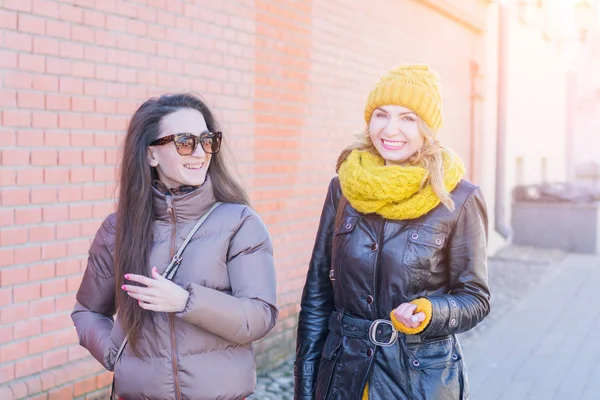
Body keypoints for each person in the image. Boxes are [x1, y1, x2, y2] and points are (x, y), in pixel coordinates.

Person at [294, 64, 491, 400]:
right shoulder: (342, 189)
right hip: (343, 377)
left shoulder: (459, 197)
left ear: (427, 128)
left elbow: (475, 299)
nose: (390, 129)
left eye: (408, 118)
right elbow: (316, 299)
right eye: (381, 115)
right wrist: (305, 386)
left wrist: (431, 312)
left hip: (419, 380)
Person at [71, 93, 278, 400]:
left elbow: (260, 315)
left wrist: (185, 301)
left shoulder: (239, 223)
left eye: (207, 140)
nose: (199, 153)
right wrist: (116, 355)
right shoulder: (118, 229)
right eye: (184, 142)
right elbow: (87, 311)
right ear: (151, 154)